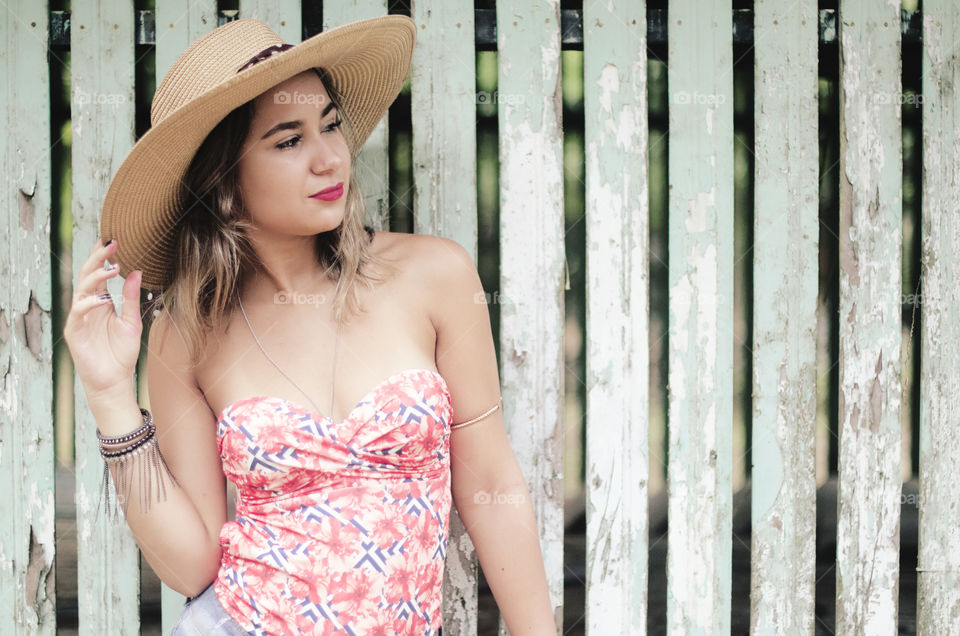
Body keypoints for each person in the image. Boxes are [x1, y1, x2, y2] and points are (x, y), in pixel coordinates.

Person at [63, 15, 555, 636]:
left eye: (330, 125)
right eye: (288, 141)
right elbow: (193, 568)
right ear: (223, 183)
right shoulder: (188, 332)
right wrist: (109, 397)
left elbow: (490, 483)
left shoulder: (434, 275)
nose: (329, 159)